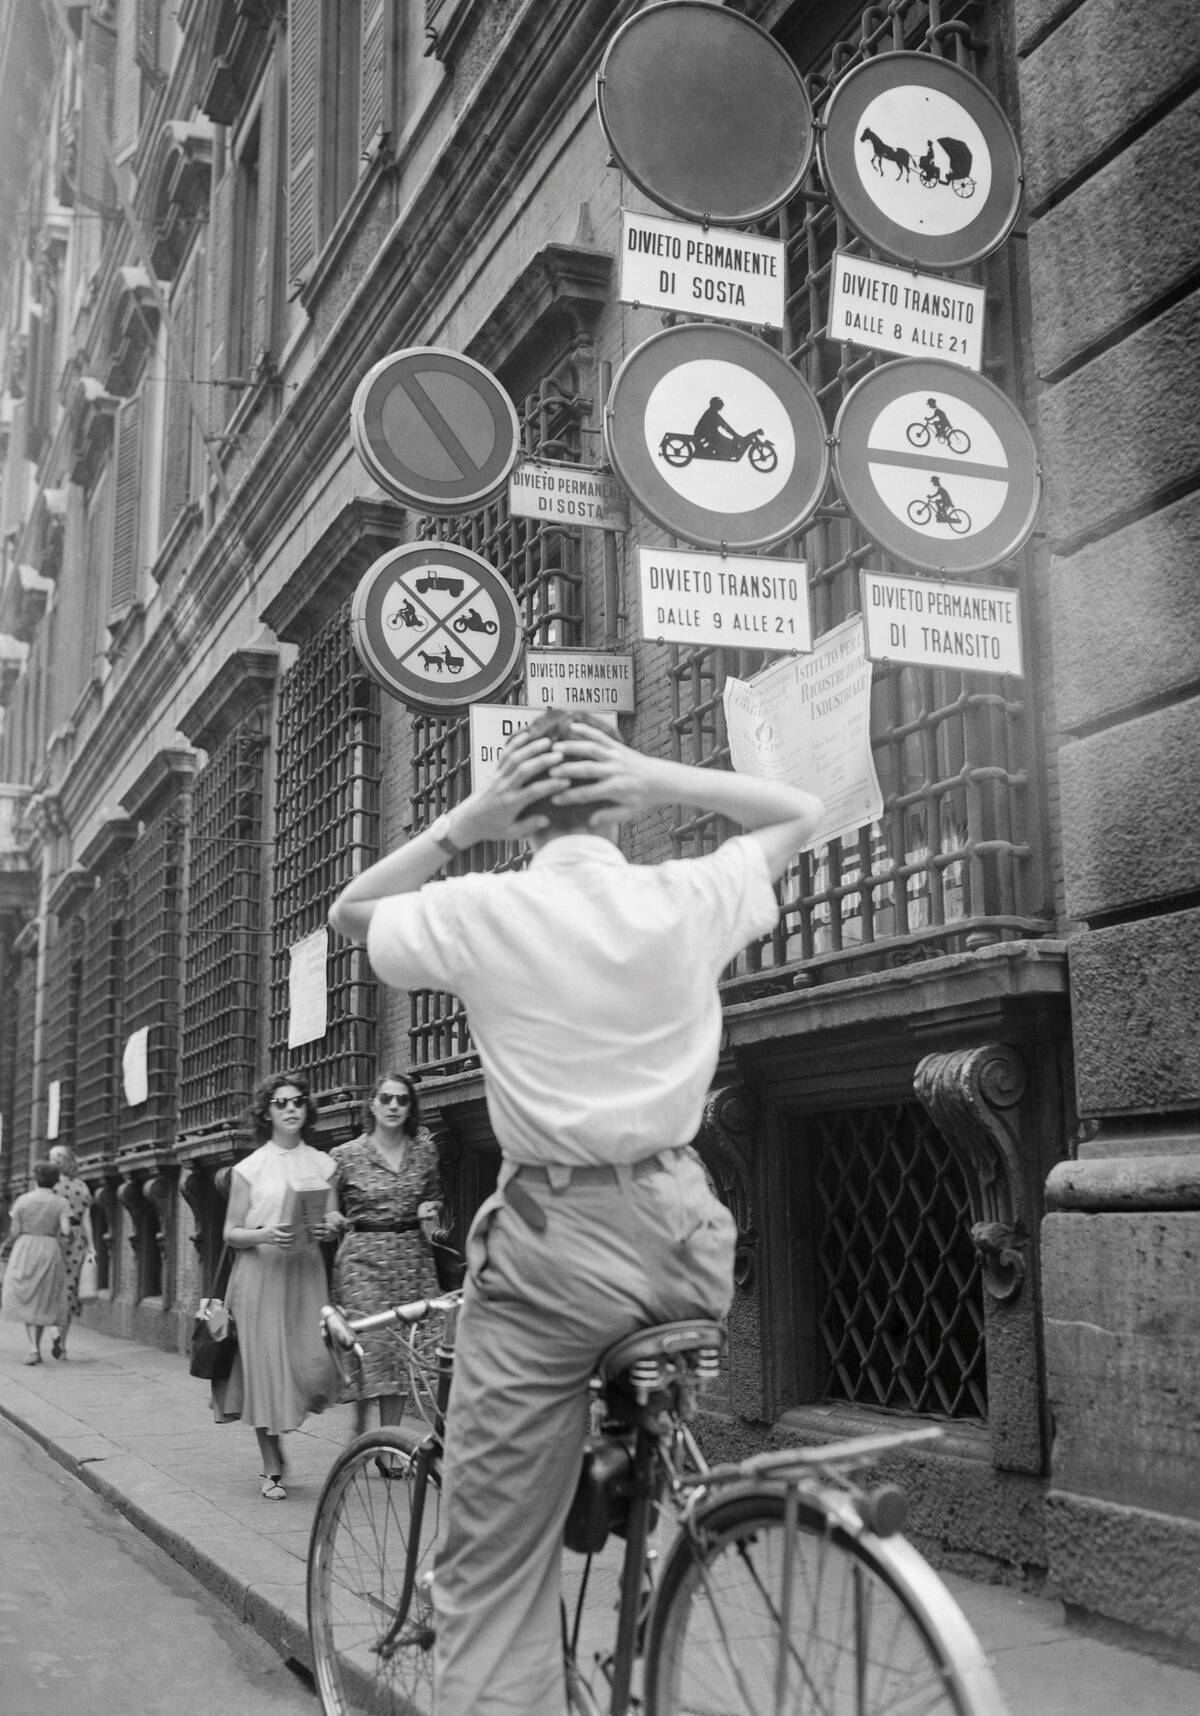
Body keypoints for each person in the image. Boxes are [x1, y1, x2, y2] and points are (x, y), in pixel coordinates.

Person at [329, 708, 823, 1715]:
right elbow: (799, 810)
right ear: (619, 806)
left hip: (557, 1251)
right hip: (688, 1239)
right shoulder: (686, 893)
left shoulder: (487, 907)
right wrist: (663, 777)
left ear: (523, 819)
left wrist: (465, 819)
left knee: (493, 1571)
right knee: (620, 1414)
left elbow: (351, 913)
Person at [214, 1072, 341, 1500]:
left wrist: (329, 1228)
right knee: (266, 1368)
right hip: (259, 1273)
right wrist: (266, 1233)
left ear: (307, 1111)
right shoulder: (249, 1168)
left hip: (306, 1274)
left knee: (315, 1363)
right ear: (266, 1112)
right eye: (281, 1103)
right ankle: (271, 1464)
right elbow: (231, 1232)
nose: (290, 1109)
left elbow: (332, 1219)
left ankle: (280, 1440)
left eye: (298, 1102)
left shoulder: (323, 1165)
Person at [325, 1071, 445, 1445]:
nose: (394, 1106)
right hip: (363, 1259)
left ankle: (388, 1442)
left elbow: (436, 1196)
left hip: (412, 1258)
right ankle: (361, 1426)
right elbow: (328, 1211)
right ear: (373, 1104)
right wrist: (333, 1218)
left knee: (403, 1349)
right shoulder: (345, 1156)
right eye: (387, 1098)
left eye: (402, 1100)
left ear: (410, 1107)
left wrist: (430, 1208)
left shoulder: (424, 1151)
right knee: (372, 1346)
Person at [2, 1160, 70, 1365]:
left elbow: (14, 1231)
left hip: (25, 1247)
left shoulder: (23, 1200)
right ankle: (51, 1333)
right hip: (49, 1248)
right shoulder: (61, 1202)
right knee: (44, 1296)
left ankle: (33, 1348)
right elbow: (66, 1231)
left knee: (27, 1295)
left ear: (36, 1178)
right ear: (55, 1181)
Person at [48, 1143, 92, 1360]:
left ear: (66, 1160)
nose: (53, 1161)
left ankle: (59, 1338)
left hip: (67, 1240)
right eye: (51, 1158)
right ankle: (60, 1340)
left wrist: (91, 1246)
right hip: (64, 1239)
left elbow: (87, 1218)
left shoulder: (52, 1187)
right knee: (61, 1288)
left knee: (67, 1289)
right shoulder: (79, 1186)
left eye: (57, 1157)